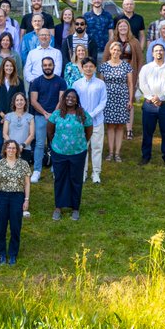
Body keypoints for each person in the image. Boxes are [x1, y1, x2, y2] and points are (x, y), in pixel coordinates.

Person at [48, 89, 94, 220]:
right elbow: (50, 131)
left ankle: (75, 208)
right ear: (64, 99)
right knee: (59, 179)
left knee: (76, 179)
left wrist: (82, 142)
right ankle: (58, 207)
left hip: (78, 153)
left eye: (73, 97)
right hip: (59, 152)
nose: (70, 99)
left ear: (77, 100)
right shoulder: (57, 114)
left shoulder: (83, 114)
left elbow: (89, 130)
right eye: (67, 97)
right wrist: (57, 144)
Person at [137, 43, 165, 168]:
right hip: (149, 105)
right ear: (152, 53)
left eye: (161, 50)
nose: (159, 53)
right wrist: (152, 98)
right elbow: (142, 84)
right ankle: (146, 156)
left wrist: (159, 96)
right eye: (156, 51)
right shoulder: (146, 68)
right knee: (147, 132)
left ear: (164, 53)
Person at [98, 41, 133, 167]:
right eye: (114, 50)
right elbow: (101, 85)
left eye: (118, 50)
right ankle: (110, 152)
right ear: (110, 51)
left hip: (122, 98)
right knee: (110, 126)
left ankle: (117, 153)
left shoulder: (126, 66)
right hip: (108, 99)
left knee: (120, 126)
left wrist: (130, 100)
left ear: (121, 52)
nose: (116, 52)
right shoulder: (104, 66)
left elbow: (130, 84)